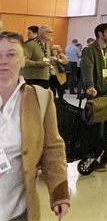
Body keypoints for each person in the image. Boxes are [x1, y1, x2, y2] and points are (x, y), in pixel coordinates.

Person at [0, 31, 70, 221]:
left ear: (24, 60)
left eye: (11, 54)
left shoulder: (40, 98)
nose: (3, 61)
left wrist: (59, 193)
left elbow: (52, 149)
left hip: (16, 210)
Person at [80, 23, 107, 171]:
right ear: (100, 34)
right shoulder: (90, 51)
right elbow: (87, 69)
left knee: (105, 125)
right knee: (95, 127)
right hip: (95, 94)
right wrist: (90, 85)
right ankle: (92, 155)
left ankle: (104, 152)